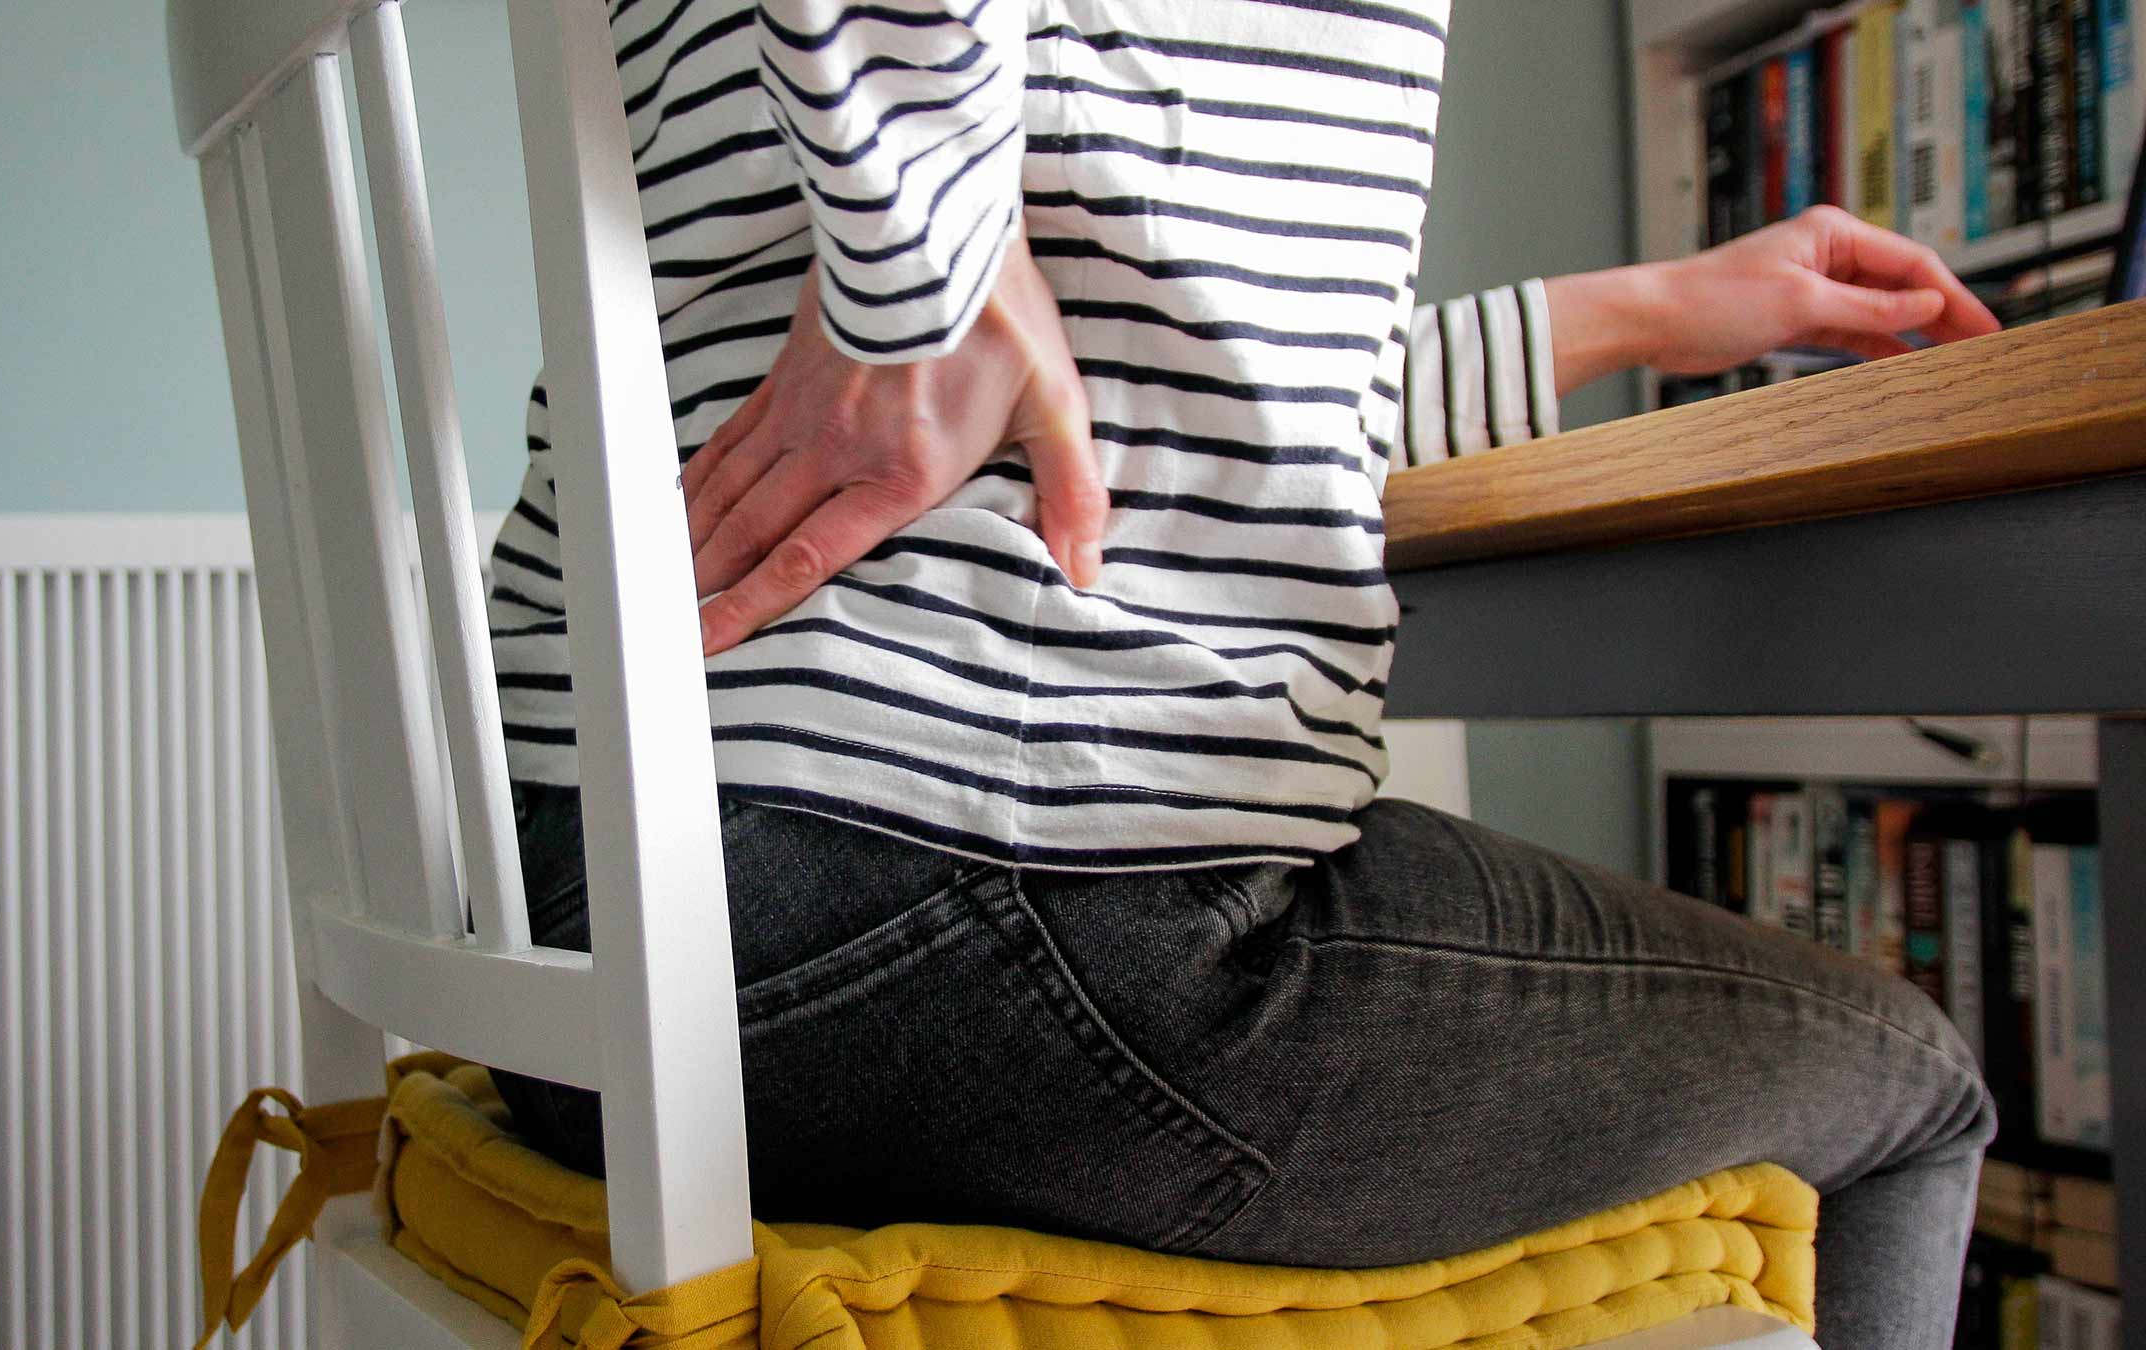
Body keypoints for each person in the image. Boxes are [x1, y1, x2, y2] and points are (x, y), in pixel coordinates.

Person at [487, 5, 2002, 1345]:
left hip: (595, 950)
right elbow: (989, 350)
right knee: (1910, 1096)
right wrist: (932, 275)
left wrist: (1650, 312)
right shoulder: (909, 124)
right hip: (990, 893)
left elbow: (1193, 395)